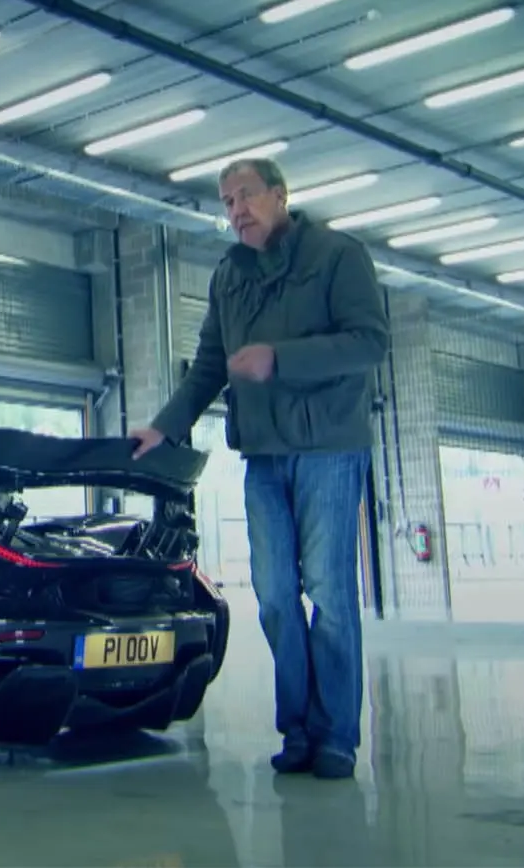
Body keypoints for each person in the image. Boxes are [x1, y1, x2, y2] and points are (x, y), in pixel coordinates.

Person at [128, 157, 389, 780]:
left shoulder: (338, 256)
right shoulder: (229, 276)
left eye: (245, 195)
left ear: (280, 194)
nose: (236, 209)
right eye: (225, 201)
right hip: (264, 456)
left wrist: (281, 359)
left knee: (328, 592)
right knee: (273, 597)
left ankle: (335, 738)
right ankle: (295, 728)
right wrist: (162, 426)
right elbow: (208, 365)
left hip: (328, 449)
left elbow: (369, 342)